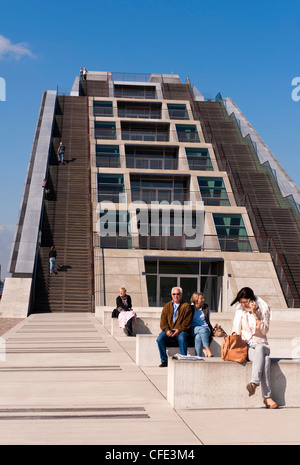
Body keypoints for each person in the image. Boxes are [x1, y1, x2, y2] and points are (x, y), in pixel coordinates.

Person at [231, 287, 278, 409]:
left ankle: (254, 383)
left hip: (262, 344)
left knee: (260, 349)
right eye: (241, 302)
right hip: (247, 347)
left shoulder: (262, 308)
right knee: (266, 360)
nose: (244, 304)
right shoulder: (240, 310)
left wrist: (255, 315)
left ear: (252, 300)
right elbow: (236, 329)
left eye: (246, 302)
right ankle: (267, 398)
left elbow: (264, 330)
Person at [156, 287, 193, 367]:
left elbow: (187, 321)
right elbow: (163, 321)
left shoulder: (186, 306)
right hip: (169, 330)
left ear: (181, 295)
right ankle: (164, 361)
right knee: (159, 339)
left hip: (181, 330)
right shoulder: (167, 306)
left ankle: (183, 359)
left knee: (182, 339)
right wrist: (166, 330)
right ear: (171, 295)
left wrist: (179, 330)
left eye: (178, 294)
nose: (176, 296)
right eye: (174, 294)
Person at [189, 292, 213, 357]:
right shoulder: (190, 308)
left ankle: (198, 357)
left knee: (198, 337)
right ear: (196, 300)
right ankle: (207, 349)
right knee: (202, 330)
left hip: (205, 329)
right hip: (193, 329)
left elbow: (207, 320)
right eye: (201, 299)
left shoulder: (206, 307)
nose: (203, 300)